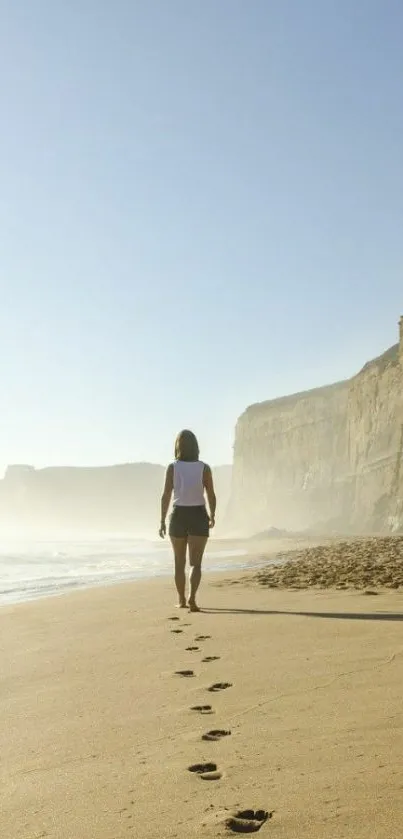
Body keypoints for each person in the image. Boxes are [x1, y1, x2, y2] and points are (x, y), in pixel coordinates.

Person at [159, 430, 216, 612]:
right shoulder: (204, 468)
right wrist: (212, 514)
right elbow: (211, 494)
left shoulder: (173, 467)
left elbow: (166, 495)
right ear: (196, 446)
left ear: (178, 446)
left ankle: (182, 599)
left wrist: (162, 520)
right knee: (195, 563)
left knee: (179, 562)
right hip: (198, 514)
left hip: (178, 515)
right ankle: (192, 598)